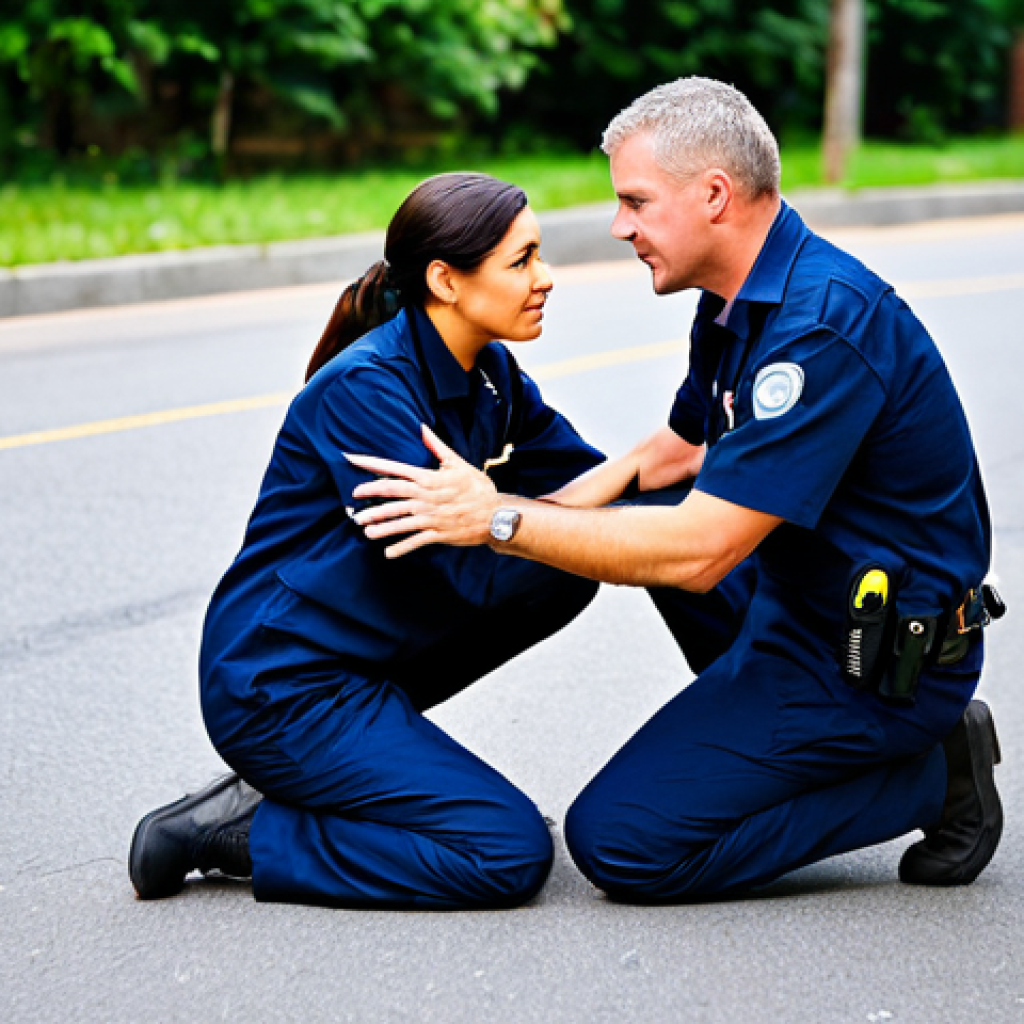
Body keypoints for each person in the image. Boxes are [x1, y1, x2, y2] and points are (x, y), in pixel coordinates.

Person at [349, 78, 1005, 901]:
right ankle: (757, 741)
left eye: (636, 201)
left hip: (875, 666)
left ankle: (932, 775)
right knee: (653, 507)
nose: (620, 225)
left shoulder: (822, 328)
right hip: (800, 609)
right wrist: (565, 500)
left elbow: (699, 555)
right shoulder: (735, 301)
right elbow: (674, 455)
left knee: (621, 841)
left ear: (715, 197)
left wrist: (499, 522)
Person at [128, 172, 606, 909]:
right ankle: (242, 835)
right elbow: (470, 574)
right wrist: (639, 468)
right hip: (279, 686)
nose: (545, 279)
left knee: (570, 562)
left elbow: (583, 491)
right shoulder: (366, 389)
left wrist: (666, 471)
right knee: (504, 851)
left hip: (360, 662)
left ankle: (361, 778)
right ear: (446, 280)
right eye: (522, 260)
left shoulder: (490, 376)